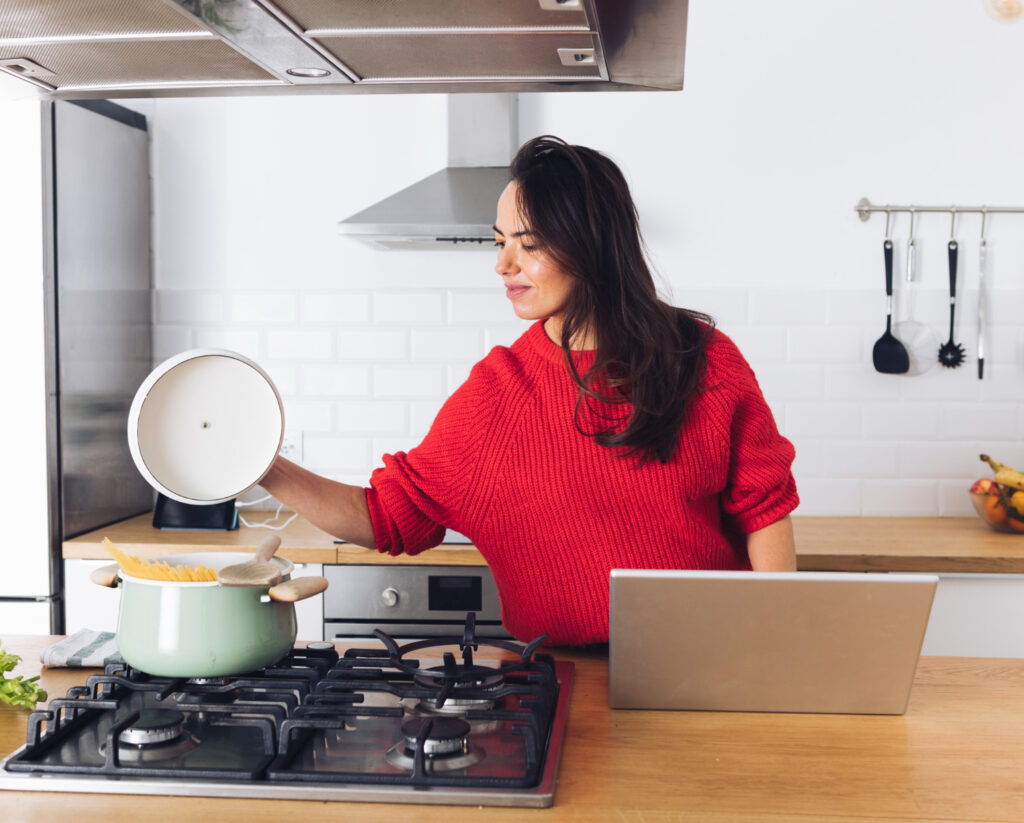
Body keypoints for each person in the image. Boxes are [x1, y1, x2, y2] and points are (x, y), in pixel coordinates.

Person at [261, 135, 798, 647]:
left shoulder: (699, 357)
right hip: (560, 673)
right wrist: (265, 466)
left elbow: (765, 511)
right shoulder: (496, 394)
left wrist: (767, 649)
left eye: (530, 244)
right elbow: (384, 516)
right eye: (500, 242)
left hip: (704, 661)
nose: (503, 264)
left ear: (591, 243)